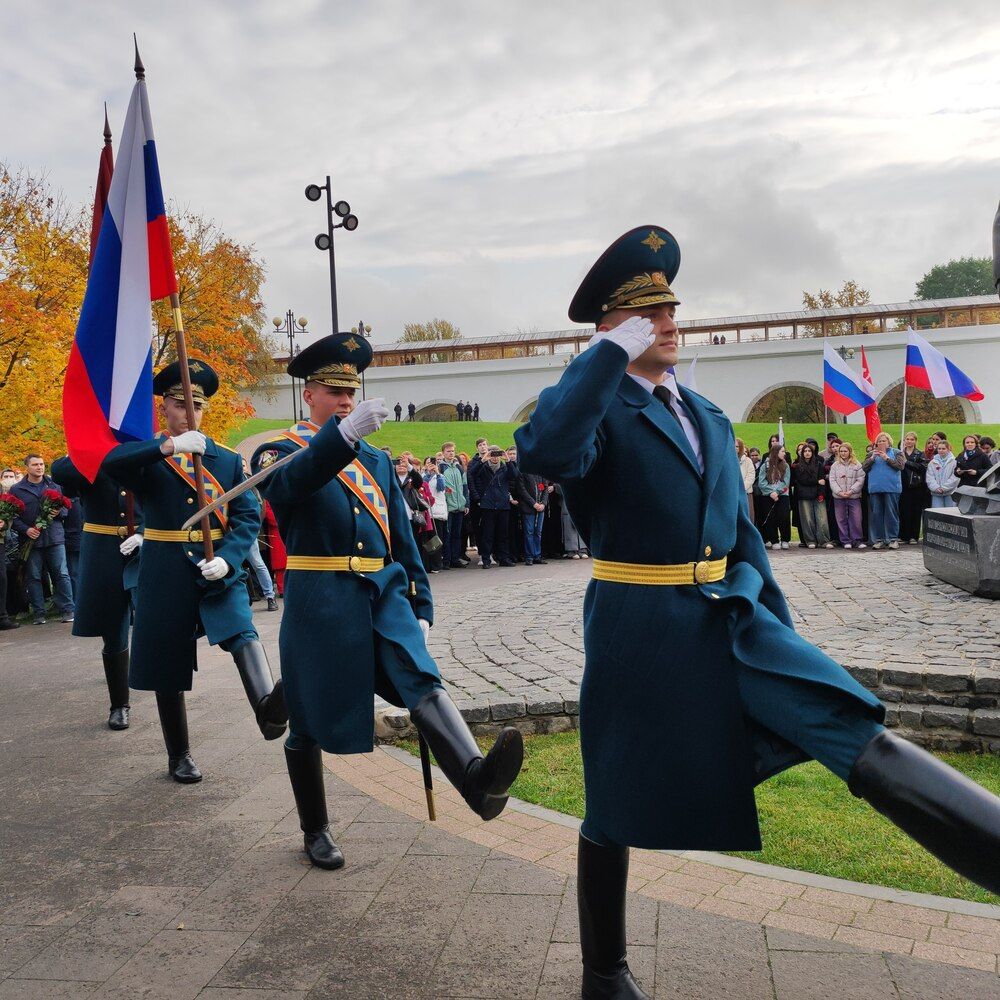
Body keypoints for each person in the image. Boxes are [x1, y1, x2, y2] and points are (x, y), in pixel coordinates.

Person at [515, 224, 1000, 999]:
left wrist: (777, 625)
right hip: (641, 631)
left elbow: (741, 536)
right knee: (613, 797)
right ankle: (603, 972)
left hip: (735, 622)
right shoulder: (592, 409)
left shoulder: (705, 413)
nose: (669, 322)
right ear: (611, 328)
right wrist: (603, 358)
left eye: (671, 308)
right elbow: (542, 452)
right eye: (645, 313)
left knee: (850, 723)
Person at [251, 332, 523, 870]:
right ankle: (315, 827)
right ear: (309, 394)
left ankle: (476, 780)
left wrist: (421, 604)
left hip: (382, 594)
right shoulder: (279, 450)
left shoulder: (373, 458)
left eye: (352, 391)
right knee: (308, 720)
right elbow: (288, 488)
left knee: (419, 676)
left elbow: (400, 536)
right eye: (334, 390)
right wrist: (342, 438)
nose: (346, 400)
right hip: (321, 599)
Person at [102, 360, 287, 783]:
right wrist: (167, 448)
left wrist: (232, 556)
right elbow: (112, 465)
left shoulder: (222, 459)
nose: (191, 414)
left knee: (242, 631)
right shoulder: (149, 456)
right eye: (181, 405)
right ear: (164, 407)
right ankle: (179, 754)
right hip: (165, 569)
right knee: (169, 662)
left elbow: (246, 515)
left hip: (215, 566)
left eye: (198, 407)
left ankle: (268, 710)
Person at [51, 456, 143, 728]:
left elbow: (163, 499)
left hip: (144, 544)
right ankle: (119, 704)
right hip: (103, 547)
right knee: (112, 627)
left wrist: (145, 530)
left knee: (154, 619)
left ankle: (163, 690)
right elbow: (60, 471)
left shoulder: (143, 452)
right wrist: (100, 453)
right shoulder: (91, 457)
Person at [10, 455, 75, 625]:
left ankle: (68, 609)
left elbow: (66, 510)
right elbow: (12, 516)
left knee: (61, 574)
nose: (39, 467)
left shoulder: (54, 485)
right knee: (33, 576)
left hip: (54, 537)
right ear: (27, 467)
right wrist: (26, 529)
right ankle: (39, 613)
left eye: (41, 464)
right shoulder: (17, 490)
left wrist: (59, 513)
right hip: (30, 540)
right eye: (35, 465)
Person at [469, 447, 517, 568]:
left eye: (497, 455)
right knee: (487, 534)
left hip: (503, 505)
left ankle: (504, 558)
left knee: (503, 534)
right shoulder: (484, 467)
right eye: (493, 455)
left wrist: (508, 460)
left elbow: (514, 475)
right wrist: (483, 459)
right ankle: (486, 559)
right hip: (488, 505)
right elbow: (472, 473)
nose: (495, 457)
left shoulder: (504, 467)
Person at [240, 460, 278, 612]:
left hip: (246, 529)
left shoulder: (250, 482)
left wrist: (254, 526)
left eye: (243, 465)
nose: (241, 468)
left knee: (257, 563)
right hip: (229, 529)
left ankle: (270, 596)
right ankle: (242, 599)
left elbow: (260, 505)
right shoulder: (227, 480)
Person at [862, 432, 905, 550]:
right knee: (877, 514)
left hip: (891, 488)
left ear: (889, 442)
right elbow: (864, 467)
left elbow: (900, 466)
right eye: (879, 441)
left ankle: (893, 539)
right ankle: (879, 539)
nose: (881, 443)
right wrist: (872, 458)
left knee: (891, 513)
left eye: (883, 441)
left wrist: (887, 458)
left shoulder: (896, 452)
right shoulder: (871, 454)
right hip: (875, 488)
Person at [791, 443, 832, 548]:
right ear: (802, 453)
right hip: (804, 495)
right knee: (807, 520)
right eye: (805, 451)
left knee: (822, 519)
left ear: (812, 453)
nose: (807, 453)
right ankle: (810, 541)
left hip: (818, 495)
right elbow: (803, 480)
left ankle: (824, 541)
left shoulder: (818, 465)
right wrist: (817, 481)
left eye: (809, 451)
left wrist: (821, 493)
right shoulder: (798, 466)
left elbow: (823, 480)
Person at [829, 442, 866, 549]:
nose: (843, 453)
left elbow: (860, 479)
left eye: (845, 451)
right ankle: (845, 540)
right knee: (841, 519)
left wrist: (851, 491)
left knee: (856, 518)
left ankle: (857, 540)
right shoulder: (835, 465)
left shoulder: (857, 464)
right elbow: (832, 480)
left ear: (850, 452)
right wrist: (839, 492)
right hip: (839, 497)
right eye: (841, 451)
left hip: (853, 496)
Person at [514, 458, 550, 566]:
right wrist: (533, 503)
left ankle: (537, 556)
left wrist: (543, 503)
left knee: (538, 532)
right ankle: (529, 556)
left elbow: (545, 489)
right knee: (529, 532)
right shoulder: (522, 471)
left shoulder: (541, 472)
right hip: (529, 507)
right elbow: (522, 490)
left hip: (540, 508)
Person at [439, 442, 469, 568]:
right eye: (448, 451)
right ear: (443, 453)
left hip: (460, 506)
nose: (451, 453)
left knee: (457, 535)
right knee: (447, 534)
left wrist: (466, 503)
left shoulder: (459, 468)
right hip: (448, 506)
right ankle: (446, 560)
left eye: (452, 451)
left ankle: (455, 559)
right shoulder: (441, 467)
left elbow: (465, 486)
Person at [756, 444, 791, 550]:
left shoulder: (786, 466)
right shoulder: (765, 465)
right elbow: (761, 482)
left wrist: (777, 491)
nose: (784, 454)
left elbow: (786, 482)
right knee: (771, 518)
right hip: (768, 496)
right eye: (782, 451)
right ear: (776, 453)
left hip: (782, 495)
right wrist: (771, 492)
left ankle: (785, 539)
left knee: (783, 516)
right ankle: (774, 540)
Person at [898, 431, 929, 544]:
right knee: (904, 511)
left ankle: (913, 536)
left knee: (915, 512)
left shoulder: (920, 454)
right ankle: (904, 535)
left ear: (915, 441)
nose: (909, 441)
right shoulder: (900, 453)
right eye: (907, 439)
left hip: (917, 486)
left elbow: (922, 468)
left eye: (912, 439)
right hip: (903, 486)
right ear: (904, 440)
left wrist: (907, 463)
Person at [422, 457, 449, 572]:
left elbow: (441, 488)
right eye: (428, 463)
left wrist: (437, 473)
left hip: (439, 511)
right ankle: (429, 564)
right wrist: (428, 474)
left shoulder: (441, 476)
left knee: (438, 539)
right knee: (428, 539)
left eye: (433, 463)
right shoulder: (423, 476)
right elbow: (423, 487)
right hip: (428, 512)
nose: (431, 466)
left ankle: (437, 564)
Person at [925, 439, 959, 508]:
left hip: (950, 493)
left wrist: (944, 488)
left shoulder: (954, 462)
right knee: (937, 514)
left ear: (948, 449)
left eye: (943, 449)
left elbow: (955, 477)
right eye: (939, 448)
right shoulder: (932, 462)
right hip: (936, 493)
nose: (941, 450)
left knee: (950, 514)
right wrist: (936, 487)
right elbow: (929, 477)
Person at [735, 438, 755, 522]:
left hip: (746, 493)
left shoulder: (747, 461)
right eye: (733, 446)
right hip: (733, 494)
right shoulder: (727, 460)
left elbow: (751, 476)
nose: (735, 448)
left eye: (737, 446)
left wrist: (741, 488)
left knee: (747, 518)